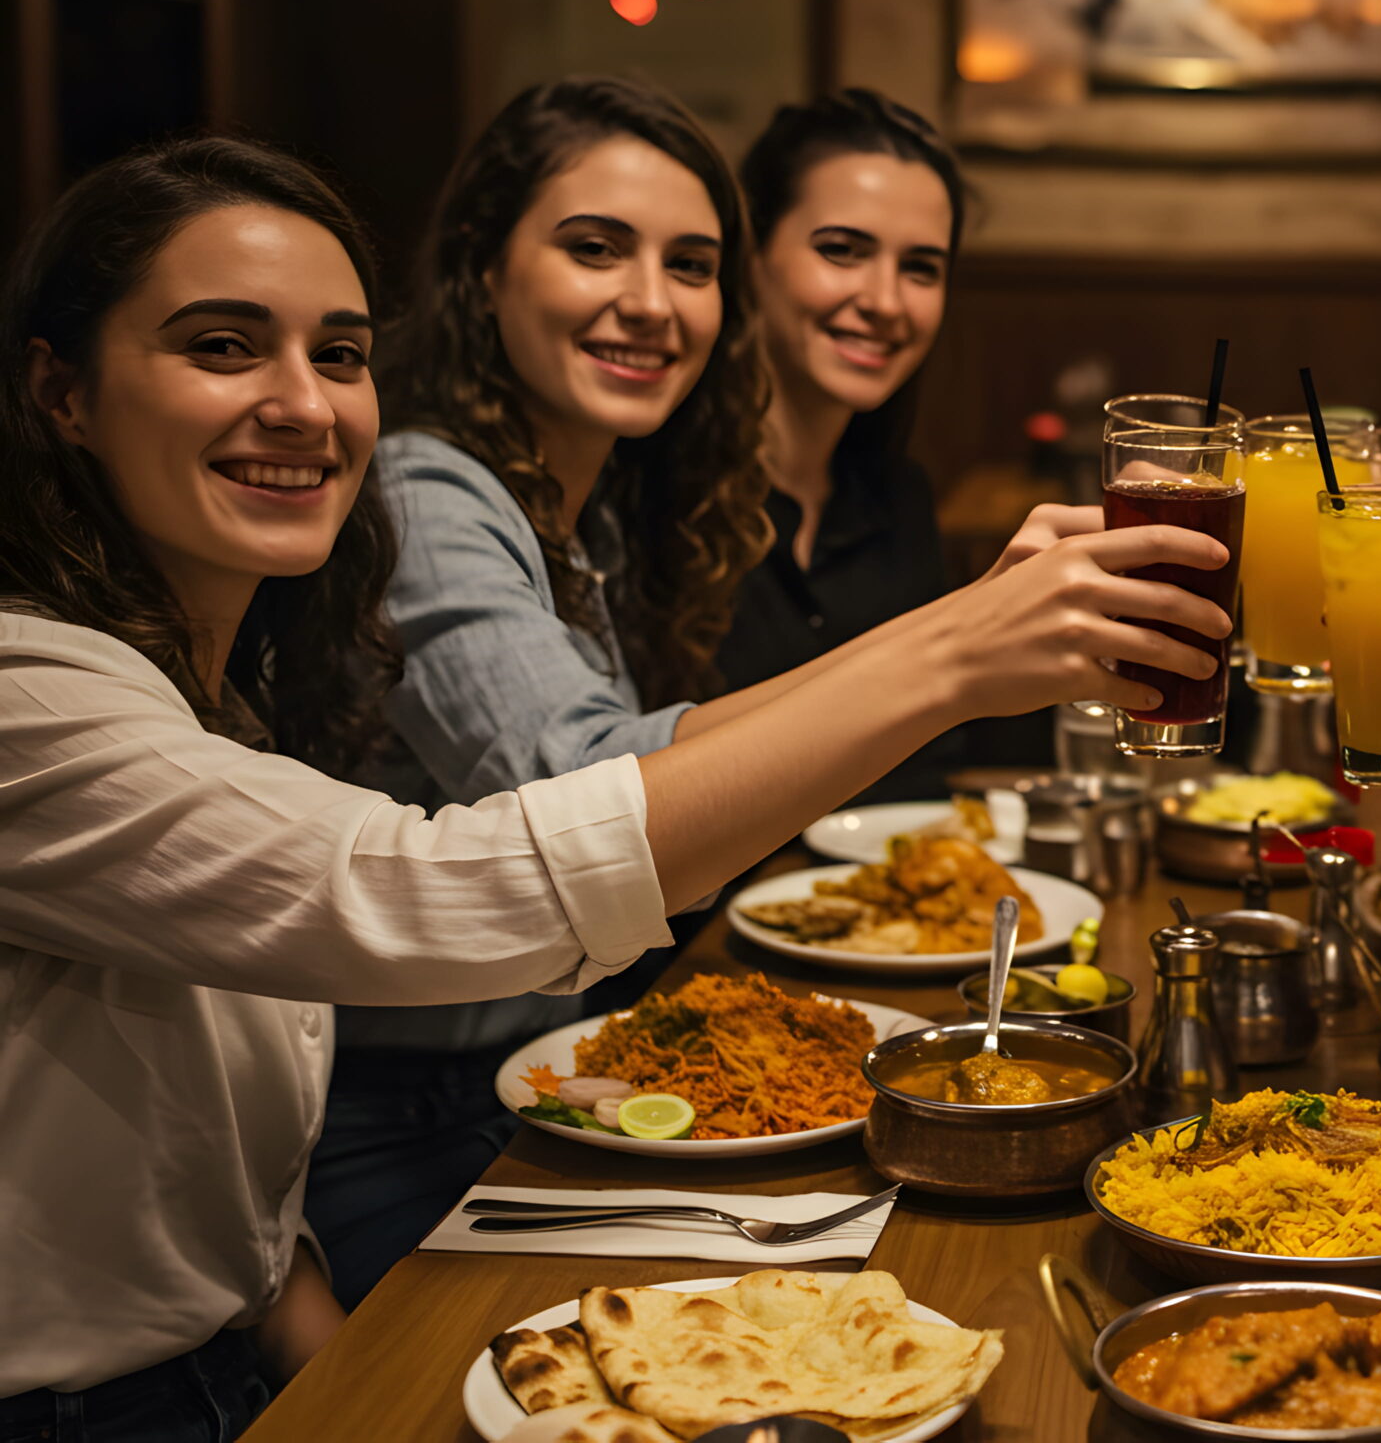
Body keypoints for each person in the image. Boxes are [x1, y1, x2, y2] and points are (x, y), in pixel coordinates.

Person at [0, 136, 1228, 1438]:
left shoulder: (219, 681)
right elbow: (440, 884)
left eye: (342, 354)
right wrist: (948, 659)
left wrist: (338, 1370)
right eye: (222, 346)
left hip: (227, 1353)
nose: (306, 403)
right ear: (60, 393)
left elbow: (220, 1195)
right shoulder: (33, 695)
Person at [300, 78, 1063, 1301]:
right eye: (595, 248)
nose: (651, 302)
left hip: (564, 1066)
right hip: (397, 1117)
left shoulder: (579, 499)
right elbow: (589, 796)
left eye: (689, 263)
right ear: (486, 268)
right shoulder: (423, 490)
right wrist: (954, 649)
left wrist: (951, 643)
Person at [717, 89, 979, 798]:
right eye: (842, 251)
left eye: (920, 268)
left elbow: (927, 768)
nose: (886, 301)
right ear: (751, 255)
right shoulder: (652, 497)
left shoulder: (897, 498)